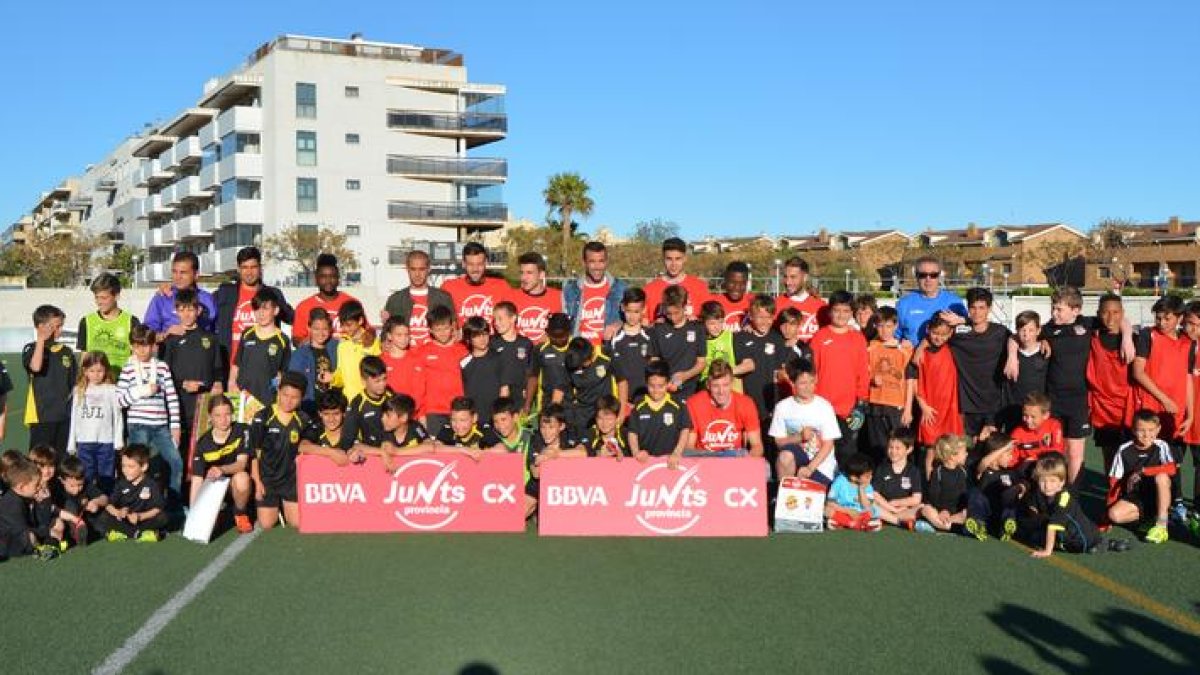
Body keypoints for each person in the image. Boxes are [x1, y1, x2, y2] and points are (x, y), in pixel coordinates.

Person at [1039, 286, 1133, 484]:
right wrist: (1036, 343)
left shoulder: (1088, 324)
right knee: (1054, 450)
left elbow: (1119, 318)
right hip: (1053, 400)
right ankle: (1053, 490)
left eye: (1059, 309)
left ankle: (1072, 496)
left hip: (1079, 402)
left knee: (1075, 453)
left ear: (1076, 310)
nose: (1054, 313)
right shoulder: (1047, 329)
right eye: (1053, 308)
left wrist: (1127, 338)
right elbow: (1018, 337)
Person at [117, 325, 182, 504]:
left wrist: (175, 426)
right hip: (138, 426)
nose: (142, 350)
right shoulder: (128, 369)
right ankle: (137, 504)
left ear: (153, 345)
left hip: (161, 427)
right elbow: (119, 401)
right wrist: (142, 391)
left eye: (145, 345)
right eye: (137, 346)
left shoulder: (162, 368)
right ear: (131, 346)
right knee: (138, 468)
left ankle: (173, 506)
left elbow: (172, 397)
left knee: (175, 462)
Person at [936, 287, 1011, 442]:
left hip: (995, 403)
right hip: (967, 404)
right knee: (968, 450)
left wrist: (1014, 356)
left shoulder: (1001, 333)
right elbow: (934, 335)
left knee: (992, 449)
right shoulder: (957, 333)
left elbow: (1022, 340)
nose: (977, 312)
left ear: (989, 309)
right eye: (973, 308)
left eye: (981, 308)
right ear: (968, 308)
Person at [1024, 452, 1128, 556]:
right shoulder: (1039, 493)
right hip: (1078, 532)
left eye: (1052, 481)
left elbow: (1052, 526)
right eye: (1043, 481)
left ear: (1062, 482)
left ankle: (1099, 544)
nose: (1047, 486)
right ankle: (1101, 543)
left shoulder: (1064, 498)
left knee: (1035, 537)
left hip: (1079, 539)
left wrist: (1047, 551)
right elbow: (1032, 506)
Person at [809, 290, 870, 469]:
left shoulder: (858, 339)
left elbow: (863, 373)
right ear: (830, 312)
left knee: (846, 455)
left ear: (851, 313)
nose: (841, 315)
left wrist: (861, 404)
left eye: (845, 311)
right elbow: (812, 372)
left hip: (848, 409)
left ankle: (843, 494)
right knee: (820, 454)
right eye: (837, 310)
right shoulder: (819, 337)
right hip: (823, 407)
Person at [161, 288, 226, 452]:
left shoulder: (210, 339)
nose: (186, 314)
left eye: (190, 309)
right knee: (178, 450)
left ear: (198, 310)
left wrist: (214, 384)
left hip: (203, 402)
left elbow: (218, 369)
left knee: (201, 448)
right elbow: (164, 373)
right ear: (176, 311)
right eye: (182, 310)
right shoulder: (171, 339)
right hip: (178, 403)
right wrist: (182, 383)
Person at [213, 246, 294, 367]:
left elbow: (293, 318)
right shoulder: (225, 293)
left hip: (263, 366)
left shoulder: (273, 293)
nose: (249, 272)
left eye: (253, 267)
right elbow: (201, 311)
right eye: (245, 267)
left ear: (260, 268)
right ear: (238, 269)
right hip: (229, 365)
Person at [1106, 410, 1177, 544]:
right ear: (1133, 430)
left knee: (1161, 477)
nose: (1146, 435)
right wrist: (1106, 516)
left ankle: (1161, 526)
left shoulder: (1161, 446)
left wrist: (1144, 471)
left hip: (1159, 494)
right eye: (1141, 430)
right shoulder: (1124, 450)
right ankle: (1148, 519)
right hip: (1137, 497)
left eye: (1151, 430)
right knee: (1114, 515)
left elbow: (1171, 469)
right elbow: (1113, 482)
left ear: (1158, 430)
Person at [249, 372, 310, 529]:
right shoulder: (263, 416)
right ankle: (273, 504)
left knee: (296, 522)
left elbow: (308, 445)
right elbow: (254, 452)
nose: (288, 401)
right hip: (267, 479)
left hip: (291, 480)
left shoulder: (304, 419)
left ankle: (284, 504)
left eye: (294, 397)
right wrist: (257, 481)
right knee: (267, 524)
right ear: (278, 391)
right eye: (285, 395)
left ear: (302, 397)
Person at [770, 358, 840, 486]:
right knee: (785, 456)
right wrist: (799, 437)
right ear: (792, 383)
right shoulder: (782, 407)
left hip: (820, 467)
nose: (808, 387)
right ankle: (783, 495)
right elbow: (779, 442)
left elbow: (828, 444)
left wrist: (810, 468)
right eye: (803, 383)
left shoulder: (824, 406)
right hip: (795, 461)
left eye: (811, 382)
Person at [189, 396, 253, 534]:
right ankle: (216, 513)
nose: (223, 419)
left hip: (236, 484)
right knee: (209, 528)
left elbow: (241, 464)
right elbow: (197, 480)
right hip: (214, 489)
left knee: (241, 478)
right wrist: (193, 514)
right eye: (218, 415)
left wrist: (221, 469)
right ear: (210, 417)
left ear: (232, 414)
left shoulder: (243, 430)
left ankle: (240, 513)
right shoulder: (203, 443)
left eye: (227, 414)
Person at [679, 359, 763, 464]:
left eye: (725, 385)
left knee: (765, 468)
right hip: (704, 458)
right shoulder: (694, 403)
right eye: (716, 386)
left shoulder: (745, 403)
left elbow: (757, 446)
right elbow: (689, 446)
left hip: (733, 458)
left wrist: (746, 463)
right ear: (708, 385)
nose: (721, 391)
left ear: (732, 383)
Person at [909, 316, 963, 476]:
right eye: (935, 333)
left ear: (950, 334)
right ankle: (930, 488)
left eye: (943, 334)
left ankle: (953, 488)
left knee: (953, 451)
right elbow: (916, 383)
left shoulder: (953, 348)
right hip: (930, 409)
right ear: (928, 331)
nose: (938, 337)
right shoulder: (921, 354)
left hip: (950, 409)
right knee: (931, 452)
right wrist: (923, 406)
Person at [66, 351, 123, 491]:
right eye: (92, 371)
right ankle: (88, 505)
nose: (96, 374)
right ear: (85, 371)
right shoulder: (79, 390)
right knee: (87, 476)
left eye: (100, 371)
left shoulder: (112, 390)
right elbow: (74, 417)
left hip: (106, 442)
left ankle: (106, 506)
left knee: (106, 477)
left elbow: (117, 416)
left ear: (106, 371)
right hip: (84, 442)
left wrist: (118, 440)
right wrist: (71, 443)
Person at [23, 304, 77, 453]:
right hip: (41, 416)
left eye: (61, 326)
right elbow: (35, 367)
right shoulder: (31, 348)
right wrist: (41, 340)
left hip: (64, 416)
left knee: (61, 461)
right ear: (41, 327)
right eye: (56, 326)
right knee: (40, 460)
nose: (59, 331)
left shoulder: (66, 352)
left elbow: (74, 384)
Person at [1088, 295, 1132, 472]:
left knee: (1131, 455)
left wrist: (1127, 336)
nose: (1110, 317)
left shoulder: (1135, 339)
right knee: (1109, 456)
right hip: (1103, 408)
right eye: (1105, 312)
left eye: (1115, 312)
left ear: (1122, 314)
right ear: (1098, 314)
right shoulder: (1091, 337)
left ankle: (1131, 496)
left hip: (1127, 406)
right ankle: (1112, 494)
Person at [864, 306, 913, 460]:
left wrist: (908, 409)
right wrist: (872, 379)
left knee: (899, 447)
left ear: (896, 326)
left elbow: (910, 381)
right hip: (875, 404)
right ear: (875, 326)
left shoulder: (904, 349)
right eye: (880, 326)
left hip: (896, 406)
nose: (884, 330)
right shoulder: (870, 347)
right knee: (878, 447)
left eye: (888, 326)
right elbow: (864, 372)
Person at [229, 289, 291, 409]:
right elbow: (236, 364)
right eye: (257, 309)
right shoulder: (247, 334)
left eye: (265, 309)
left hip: (267, 399)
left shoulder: (282, 340)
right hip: (243, 396)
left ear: (276, 310)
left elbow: (283, 373)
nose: (260, 313)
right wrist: (232, 385)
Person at [412, 305, 468, 436]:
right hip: (433, 412)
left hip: (459, 411)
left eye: (446, 328)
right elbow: (418, 387)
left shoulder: (463, 350)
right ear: (430, 330)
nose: (442, 333)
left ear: (452, 326)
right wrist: (421, 414)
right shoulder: (422, 352)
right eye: (438, 329)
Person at [96, 445, 169, 543]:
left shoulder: (152, 484)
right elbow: (109, 505)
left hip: (143, 519)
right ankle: (140, 534)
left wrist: (140, 516)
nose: (125, 470)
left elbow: (157, 509)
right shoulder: (120, 483)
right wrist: (119, 512)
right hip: (124, 520)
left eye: (131, 466)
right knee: (103, 517)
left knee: (163, 517)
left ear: (144, 467)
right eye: (123, 466)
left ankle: (125, 533)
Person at [381, 249, 453, 347]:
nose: (417, 274)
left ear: (428, 269)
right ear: (407, 269)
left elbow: (454, 331)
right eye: (413, 269)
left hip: (435, 356)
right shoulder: (395, 300)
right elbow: (385, 337)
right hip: (406, 356)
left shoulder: (443, 298)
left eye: (422, 269)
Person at [562, 241, 628, 345]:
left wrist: (619, 324)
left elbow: (635, 319)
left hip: (608, 352)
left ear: (606, 262)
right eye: (592, 261)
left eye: (601, 261)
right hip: (581, 353)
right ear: (584, 263)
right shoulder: (570, 290)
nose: (597, 266)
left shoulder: (621, 288)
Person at [647, 285, 707, 401]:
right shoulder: (658, 329)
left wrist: (685, 376)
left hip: (691, 391)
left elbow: (701, 363)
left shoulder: (697, 328)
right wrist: (664, 382)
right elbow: (654, 361)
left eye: (676, 312)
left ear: (685, 307)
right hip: (665, 392)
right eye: (669, 313)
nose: (673, 317)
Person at [77, 273, 139, 380]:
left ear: (116, 296)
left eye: (104, 298)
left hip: (122, 383)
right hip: (95, 385)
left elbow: (137, 355)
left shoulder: (131, 321)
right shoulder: (86, 322)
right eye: (96, 298)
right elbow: (84, 357)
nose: (99, 302)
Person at [143, 251, 217, 341]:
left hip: (200, 352)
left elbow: (216, 332)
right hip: (169, 353)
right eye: (174, 272)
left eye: (183, 272)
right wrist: (165, 335)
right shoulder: (162, 298)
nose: (177, 277)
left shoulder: (208, 299)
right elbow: (146, 334)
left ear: (196, 275)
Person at [627, 362, 692, 461]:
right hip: (645, 462)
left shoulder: (677, 405)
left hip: (670, 461)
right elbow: (632, 433)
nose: (656, 390)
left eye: (660, 386)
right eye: (652, 386)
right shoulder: (639, 406)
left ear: (668, 383)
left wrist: (677, 452)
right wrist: (636, 453)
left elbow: (685, 429)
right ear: (646, 383)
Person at [894, 256, 966, 343]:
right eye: (923, 275)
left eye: (933, 275)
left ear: (939, 276)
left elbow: (968, 330)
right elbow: (895, 336)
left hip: (945, 355)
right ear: (916, 276)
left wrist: (962, 320)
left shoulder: (955, 302)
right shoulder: (903, 304)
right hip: (913, 355)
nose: (928, 279)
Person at [965, 433, 1023, 541]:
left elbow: (1021, 487)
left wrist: (1020, 488)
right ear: (996, 454)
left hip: (1000, 513)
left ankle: (1007, 526)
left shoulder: (1010, 473)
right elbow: (984, 462)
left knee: (1010, 496)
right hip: (985, 513)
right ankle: (978, 525)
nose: (1011, 457)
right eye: (1008, 454)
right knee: (976, 494)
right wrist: (1005, 447)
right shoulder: (983, 470)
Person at [292, 253, 360, 344]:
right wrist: (314, 343)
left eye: (332, 276)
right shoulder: (304, 306)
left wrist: (368, 337)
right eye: (323, 277)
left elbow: (368, 331)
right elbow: (297, 339)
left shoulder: (351, 303)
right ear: (316, 278)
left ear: (338, 278)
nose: (328, 281)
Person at [441, 242, 510, 327]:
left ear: (486, 263)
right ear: (463, 264)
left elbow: (510, 319)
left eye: (479, 264)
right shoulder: (449, 287)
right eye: (470, 264)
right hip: (463, 340)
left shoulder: (501, 286)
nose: (475, 269)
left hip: (492, 339)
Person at [643, 237, 711, 323]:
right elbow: (645, 324)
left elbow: (709, 320)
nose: (673, 264)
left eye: (678, 259)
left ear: (685, 258)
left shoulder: (699, 287)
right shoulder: (649, 289)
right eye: (669, 259)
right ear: (663, 259)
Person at [489, 398, 538, 518]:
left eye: (504, 420)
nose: (500, 425)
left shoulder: (531, 437)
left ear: (515, 417)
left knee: (514, 517)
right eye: (496, 421)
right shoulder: (491, 438)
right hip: (499, 490)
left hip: (527, 488)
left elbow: (535, 469)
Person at [1000, 310, 1047, 433]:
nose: (1026, 334)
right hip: (1013, 410)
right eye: (1022, 330)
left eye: (1031, 330)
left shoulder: (1045, 352)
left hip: (1037, 412)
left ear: (1038, 330)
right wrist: (1011, 356)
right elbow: (1011, 338)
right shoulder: (1009, 353)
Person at [871, 430, 927, 530]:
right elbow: (875, 494)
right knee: (870, 504)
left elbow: (916, 499)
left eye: (898, 448)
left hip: (903, 510)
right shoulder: (882, 468)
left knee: (922, 507)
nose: (893, 451)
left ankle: (886, 519)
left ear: (909, 449)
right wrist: (891, 508)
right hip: (885, 507)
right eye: (890, 447)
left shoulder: (913, 471)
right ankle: (898, 522)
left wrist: (896, 503)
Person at [563, 337, 618, 437]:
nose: (582, 366)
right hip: (583, 417)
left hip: (605, 414)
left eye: (584, 362)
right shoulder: (570, 362)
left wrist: (621, 412)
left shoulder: (605, 355)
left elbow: (622, 381)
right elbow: (561, 388)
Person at [287, 308, 339, 413]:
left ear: (330, 329)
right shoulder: (300, 354)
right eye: (316, 329)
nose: (321, 333)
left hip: (333, 407)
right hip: (309, 405)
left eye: (324, 329)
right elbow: (294, 383)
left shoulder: (338, 348)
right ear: (309, 328)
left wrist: (334, 378)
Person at [608, 288, 652, 409]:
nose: (632, 316)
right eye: (628, 311)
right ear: (622, 307)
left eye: (636, 312)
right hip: (622, 401)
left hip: (647, 399)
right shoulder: (614, 336)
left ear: (644, 310)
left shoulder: (650, 335)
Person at [506, 251, 563, 343]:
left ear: (541, 275)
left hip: (546, 354)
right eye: (522, 272)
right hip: (518, 354)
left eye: (529, 273)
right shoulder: (510, 297)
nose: (524, 278)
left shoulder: (559, 297)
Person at [330, 300, 381, 402]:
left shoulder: (374, 342)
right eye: (343, 325)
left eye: (349, 325)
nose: (345, 329)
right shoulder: (343, 346)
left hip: (369, 400)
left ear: (360, 321)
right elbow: (341, 376)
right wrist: (332, 378)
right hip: (349, 401)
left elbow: (378, 373)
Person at [490, 301, 535, 416]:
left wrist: (527, 397)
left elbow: (531, 373)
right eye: (495, 319)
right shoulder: (492, 343)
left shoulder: (526, 343)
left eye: (500, 319)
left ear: (513, 318)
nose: (496, 323)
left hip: (519, 400)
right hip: (497, 398)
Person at [919, 434, 970, 533]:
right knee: (925, 509)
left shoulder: (963, 472)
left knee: (967, 513)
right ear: (952, 456)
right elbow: (933, 496)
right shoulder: (937, 472)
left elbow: (963, 497)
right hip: (938, 511)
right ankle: (949, 527)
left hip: (955, 513)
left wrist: (951, 512)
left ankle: (939, 525)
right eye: (964, 452)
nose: (967, 454)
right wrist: (943, 510)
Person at [54, 456, 108, 548]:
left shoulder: (86, 484)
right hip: (67, 523)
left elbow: (105, 498)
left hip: (85, 520)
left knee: (104, 518)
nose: (77, 490)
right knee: (69, 505)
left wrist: (96, 502)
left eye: (80, 485)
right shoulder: (57, 489)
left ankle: (83, 535)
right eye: (72, 486)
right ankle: (76, 534)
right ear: (62, 480)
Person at [0, 458, 49, 559]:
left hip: (11, 537)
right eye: (36, 485)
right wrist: (45, 531)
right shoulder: (12, 504)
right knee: (29, 536)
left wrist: (43, 504)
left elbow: (37, 521)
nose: (39, 487)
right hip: (6, 542)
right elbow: (22, 530)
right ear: (21, 487)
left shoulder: (23, 498)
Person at [700, 300, 755, 390]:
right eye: (712, 323)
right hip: (707, 387)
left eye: (721, 322)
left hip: (731, 389)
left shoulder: (732, 337)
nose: (717, 327)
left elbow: (750, 365)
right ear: (703, 322)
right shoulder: (699, 340)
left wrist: (723, 373)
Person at [427, 397, 504, 459]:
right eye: (453, 420)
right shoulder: (448, 428)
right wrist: (463, 450)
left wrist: (479, 452)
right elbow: (435, 447)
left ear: (474, 418)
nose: (458, 425)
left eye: (463, 420)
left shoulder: (483, 428)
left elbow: (502, 449)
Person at [342, 356, 393, 450]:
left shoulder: (391, 396)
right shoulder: (357, 404)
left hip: (392, 451)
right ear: (364, 381)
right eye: (377, 381)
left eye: (384, 379)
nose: (382, 384)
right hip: (370, 455)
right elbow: (347, 440)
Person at [378, 316, 425, 416]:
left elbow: (420, 391)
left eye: (406, 335)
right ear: (389, 336)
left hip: (412, 415)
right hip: (389, 415)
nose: (404, 339)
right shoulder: (381, 360)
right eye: (399, 335)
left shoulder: (417, 360)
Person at [774, 256, 827, 343]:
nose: (788, 282)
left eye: (793, 277)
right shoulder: (776, 304)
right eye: (785, 277)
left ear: (805, 277)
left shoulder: (821, 306)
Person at [825, 453, 882, 532]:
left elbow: (867, 506)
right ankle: (855, 524)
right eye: (867, 476)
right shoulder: (839, 481)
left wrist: (861, 488)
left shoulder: (867, 485)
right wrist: (848, 511)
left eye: (871, 475)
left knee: (875, 510)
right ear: (854, 477)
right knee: (827, 510)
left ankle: (847, 523)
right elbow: (830, 503)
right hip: (844, 511)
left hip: (861, 513)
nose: (870, 478)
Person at [529, 313, 573, 415]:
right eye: (554, 336)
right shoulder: (540, 349)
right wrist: (528, 404)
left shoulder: (576, 347)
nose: (558, 339)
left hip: (571, 407)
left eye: (561, 335)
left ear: (569, 332)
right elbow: (533, 377)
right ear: (548, 333)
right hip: (546, 406)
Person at [298, 389, 356, 466]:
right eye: (326, 414)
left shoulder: (350, 429)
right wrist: (331, 452)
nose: (331, 419)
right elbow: (302, 447)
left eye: (336, 414)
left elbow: (360, 446)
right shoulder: (316, 428)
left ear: (344, 413)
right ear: (320, 414)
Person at [462, 317, 504, 423]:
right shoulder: (463, 362)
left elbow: (504, 389)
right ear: (468, 339)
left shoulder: (498, 358)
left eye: (485, 334)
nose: (482, 339)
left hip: (495, 418)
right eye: (476, 336)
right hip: (473, 418)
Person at [1009, 393, 1065, 467]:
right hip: (1026, 468)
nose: (1028, 420)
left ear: (1046, 415)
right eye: (1025, 415)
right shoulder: (1017, 433)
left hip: (1048, 466)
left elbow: (1057, 450)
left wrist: (1036, 458)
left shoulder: (1054, 425)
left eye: (1033, 417)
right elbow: (1012, 460)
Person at [714, 261, 754, 332]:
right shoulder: (714, 303)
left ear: (747, 282)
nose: (737, 287)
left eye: (742, 283)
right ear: (725, 281)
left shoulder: (754, 303)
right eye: (732, 283)